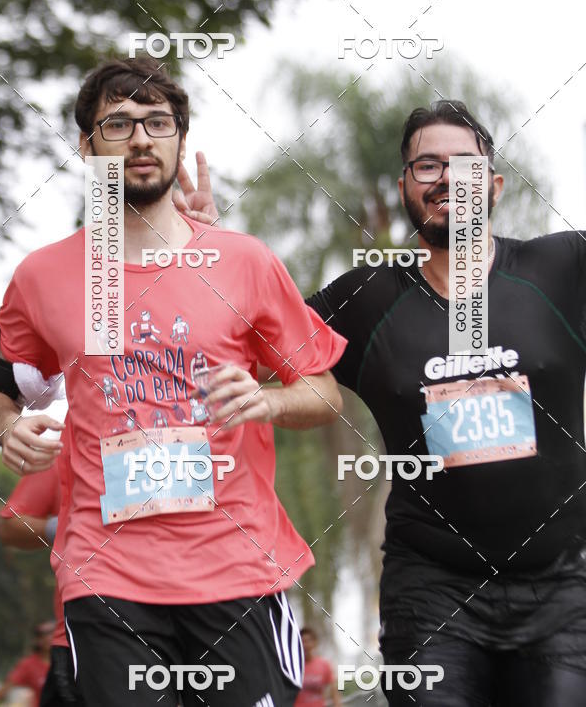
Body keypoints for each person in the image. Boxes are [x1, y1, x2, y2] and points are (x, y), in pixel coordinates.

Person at [188, 99, 586, 705]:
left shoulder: (561, 269)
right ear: (404, 186)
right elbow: (246, 337)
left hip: (564, 588)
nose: (447, 179)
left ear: (495, 186)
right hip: (432, 594)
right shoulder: (368, 298)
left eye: (465, 165)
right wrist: (207, 258)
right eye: (427, 166)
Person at [0, 56, 347, 707]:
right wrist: (8, 428)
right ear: (86, 147)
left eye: (158, 123)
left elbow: (323, 394)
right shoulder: (44, 275)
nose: (143, 138)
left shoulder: (244, 261)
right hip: (107, 571)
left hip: (238, 566)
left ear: (182, 140)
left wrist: (266, 400)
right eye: (118, 125)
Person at [0, 460, 82, 705]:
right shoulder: (62, 457)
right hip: (79, 641)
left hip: (180, 625)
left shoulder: (191, 444)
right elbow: (10, 526)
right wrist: (63, 525)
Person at [0, 621, 55, 707]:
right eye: (43, 635)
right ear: (37, 640)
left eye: (52, 633)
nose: (48, 638)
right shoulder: (29, 664)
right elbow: (5, 689)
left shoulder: (68, 661)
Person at [295, 627, 342, 707]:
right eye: (302, 641)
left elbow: (334, 692)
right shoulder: (292, 666)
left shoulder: (324, 665)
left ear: (314, 643)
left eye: (308, 641)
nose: (305, 645)